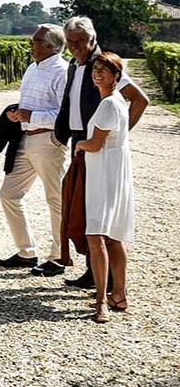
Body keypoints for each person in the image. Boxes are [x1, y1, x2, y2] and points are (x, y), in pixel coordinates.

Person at [55, 16, 148, 288]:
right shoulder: (73, 65)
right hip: (80, 142)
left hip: (96, 146)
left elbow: (140, 100)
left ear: (92, 39)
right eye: (70, 42)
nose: (74, 46)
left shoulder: (104, 66)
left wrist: (118, 134)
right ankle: (93, 272)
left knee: (99, 211)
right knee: (82, 208)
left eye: (80, 41)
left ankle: (106, 280)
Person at [0, 24, 69, 275]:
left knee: (56, 199)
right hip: (25, 139)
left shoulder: (62, 72)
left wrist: (32, 116)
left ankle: (59, 257)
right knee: (9, 194)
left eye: (35, 40)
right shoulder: (32, 68)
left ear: (51, 46)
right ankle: (26, 252)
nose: (30, 44)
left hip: (49, 142)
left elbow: (64, 115)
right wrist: (17, 114)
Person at [75, 52, 135, 323]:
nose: (97, 74)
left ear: (116, 76)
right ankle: (119, 294)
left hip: (104, 175)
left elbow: (96, 143)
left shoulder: (109, 104)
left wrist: (80, 145)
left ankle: (101, 301)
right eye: (95, 69)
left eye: (104, 70)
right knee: (114, 236)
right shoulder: (118, 101)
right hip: (115, 171)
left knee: (96, 235)